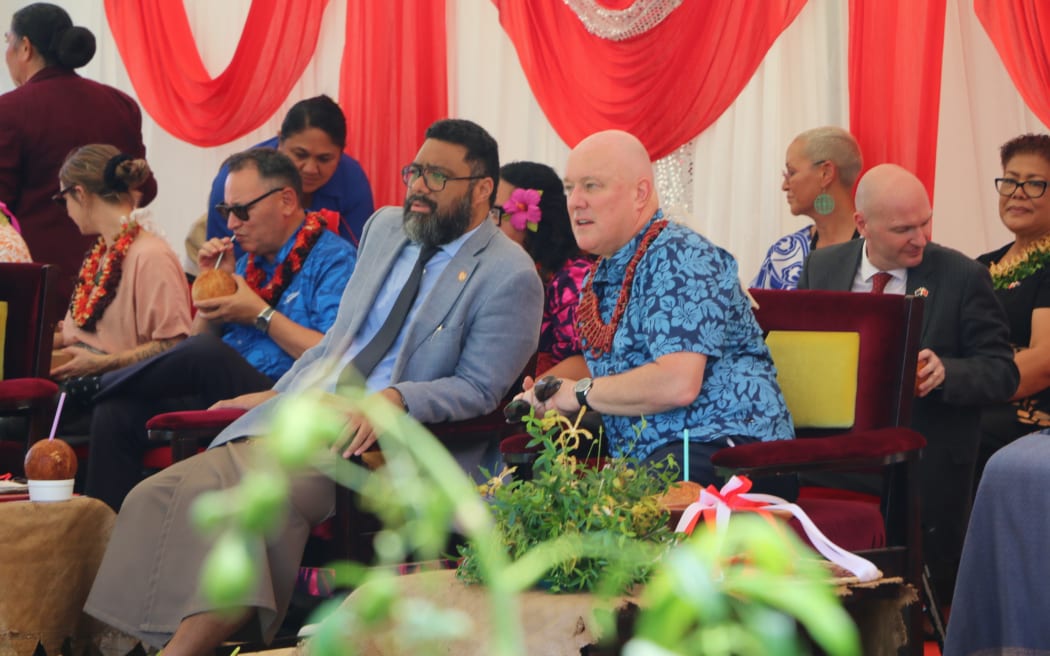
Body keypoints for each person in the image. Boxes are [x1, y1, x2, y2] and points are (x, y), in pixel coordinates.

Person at [84, 118, 543, 654]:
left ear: (483, 188)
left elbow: (480, 389)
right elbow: (337, 344)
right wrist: (277, 394)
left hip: (387, 444)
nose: (418, 187)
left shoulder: (510, 273)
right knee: (157, 493)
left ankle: (182, 649)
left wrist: (393, 399)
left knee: (254, 499)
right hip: (310, 409)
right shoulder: (385, 228)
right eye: (414, 172)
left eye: (437, 177)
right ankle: (128, 642)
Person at [84, 148, 358, 511]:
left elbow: (333, 356)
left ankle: (88, 389)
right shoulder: (246, 263)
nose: (231, 225)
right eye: (226, 212)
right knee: (116, 410)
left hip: (285, 394)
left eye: (242, 211)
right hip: (223, 389)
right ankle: (106, 542)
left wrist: (259, 314)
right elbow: (198, 344)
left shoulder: (334, 259)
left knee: (207, 355)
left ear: (287, 201)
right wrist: (215, 284)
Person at [514, 130, 793, 485]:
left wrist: (580, 392)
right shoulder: (601, 274)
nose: (576, 202)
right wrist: (556, 405)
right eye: (571, 188)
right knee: (531, 499)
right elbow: (623, 401)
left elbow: (677, 384)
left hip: (730, 452)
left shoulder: (680, 254)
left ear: (640, 193)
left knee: (608, 510)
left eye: (592, 186)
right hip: (655, 459)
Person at [798, 163, 1019, 604]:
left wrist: (947, 373)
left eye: (925, 222)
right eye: (903, 229)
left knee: (921, 606)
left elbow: (1003, 371)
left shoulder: (961, 276)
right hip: (834, 461)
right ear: (863, 225)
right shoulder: (822, 266)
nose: (920, 238)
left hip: (924, 464)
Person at [0, 3, 156, 303]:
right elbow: (143, 187)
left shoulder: (10, 111)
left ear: (26, 48)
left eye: (8, 41)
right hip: (117, 278)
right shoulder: (120, 104)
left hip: (41, 285)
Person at [49, 145, 189, 383]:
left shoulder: (150, 255)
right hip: (82, 385)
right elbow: (79, 332)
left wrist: (102, 364)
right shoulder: (100, 253)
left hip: (120, 393)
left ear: (80, 194)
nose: (68, 212)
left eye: (63, 201)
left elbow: (174, 346)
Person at [206, 95, 374, 257]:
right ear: (280, 141)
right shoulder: (233, 182)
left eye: (324, 159)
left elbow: (360, 263)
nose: (310, 169)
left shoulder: (351, 181)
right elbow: (226, 265)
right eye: (300, 155)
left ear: (340, 153)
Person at [976, 134, 1050, 481]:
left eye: (1034, 183)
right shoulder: (979, 266)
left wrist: (964, 384)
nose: (1018, 192)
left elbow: (1043, 364)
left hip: (1029, 413)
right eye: (1010, 180)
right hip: (978, 402)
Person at [493, 161, 592, 374]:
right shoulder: (502, 268)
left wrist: (523, 401)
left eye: (497, 212)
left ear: (533, 217)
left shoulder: (573, 279)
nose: (490, 223)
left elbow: (585, 363)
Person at [752, 127, 862, 290]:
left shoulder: (876, 250)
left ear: (826, 173)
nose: (784, 186)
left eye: (791, 172)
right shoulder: (783, 255)